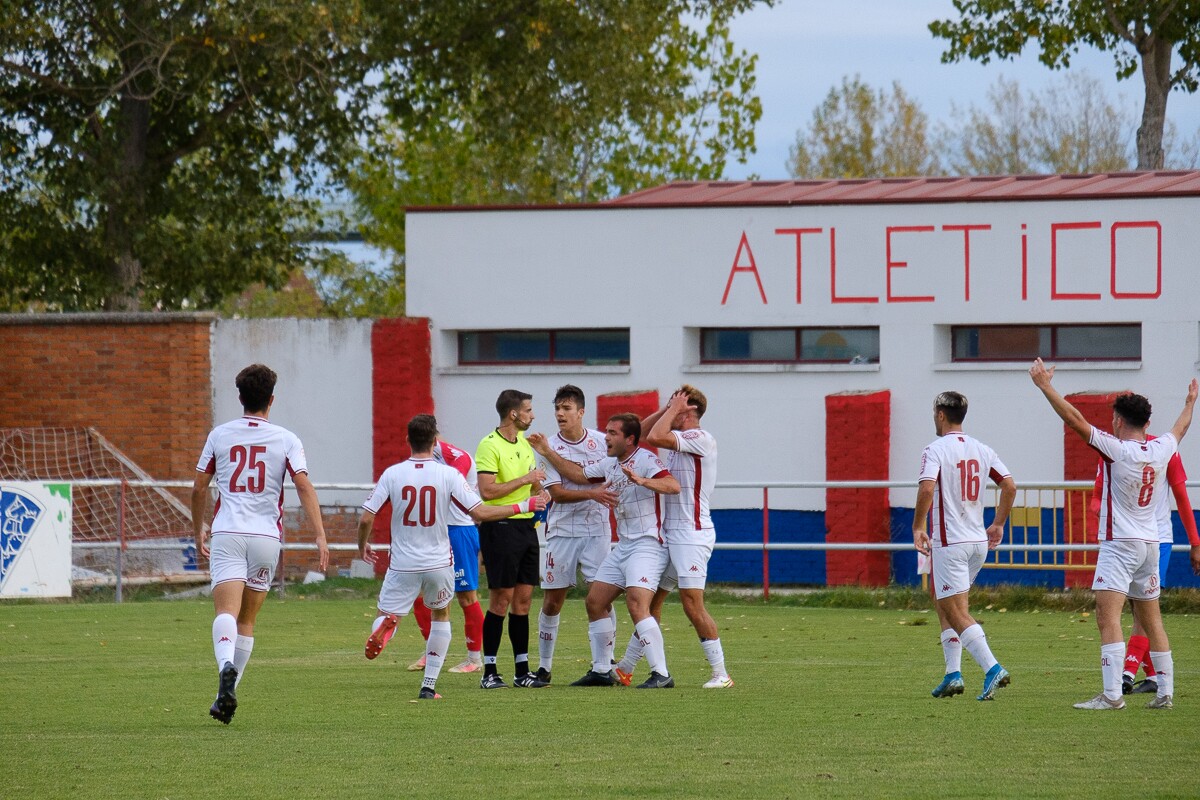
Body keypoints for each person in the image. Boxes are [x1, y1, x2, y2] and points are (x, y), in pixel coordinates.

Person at [1030, 358, 1198, 710]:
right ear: (1147, 422)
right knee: (1152, 619)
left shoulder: (1116, 450)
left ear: (1119, 421)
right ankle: (1166, 692)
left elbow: (1074, 420)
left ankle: (1111, 696)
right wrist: (1189, 403)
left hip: (1119, 545)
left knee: (1107, 617)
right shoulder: (1162, 447)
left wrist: (1046, 387)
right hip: (1151, 544)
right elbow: (1181, 429)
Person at [358, 414, 548, 700]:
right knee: (441, 615)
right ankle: (429, 686)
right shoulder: (448, 475)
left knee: (388, 613)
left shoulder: (392, 474)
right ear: (435, 441)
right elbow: (480, 512)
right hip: (438, 561)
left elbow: (366, 518)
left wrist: (363, 544)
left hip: (403, 562)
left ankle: (388, 625)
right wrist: (526, 504)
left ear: (407, 440)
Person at [192, 364, 330, 724]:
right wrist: (319, 535)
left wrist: (198, 529)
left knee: (225, 613)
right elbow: (302, 485)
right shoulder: (287, 439)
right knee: (247, 620)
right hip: (267, 538)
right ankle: (226, 692)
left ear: (240, 398)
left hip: (228, 533)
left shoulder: (219, 435)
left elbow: (198, 487)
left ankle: (225, 670)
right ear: (272, 400)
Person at [529, 413, 680, 689]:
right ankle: (601, 670)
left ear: (630, 439)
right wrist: (548, 451)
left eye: (613, 433)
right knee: (595, 601)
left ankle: (661, 673)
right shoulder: (610, 463)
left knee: (637, 603)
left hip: (647, 545)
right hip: (624, 546)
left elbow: (673, 485)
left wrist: (644, 481)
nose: (606, 437)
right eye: (607, 432)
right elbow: (577, 474)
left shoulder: (645, 460)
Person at [613, 386, 734, 689]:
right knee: (652, 602)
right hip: (671, 533)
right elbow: (639, 434)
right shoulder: (674, 434)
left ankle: (721, 674)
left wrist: (674, 409)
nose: (670, 410)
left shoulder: (700, 438)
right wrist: (669, 407)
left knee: (692, 604)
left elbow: (653, 437)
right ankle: (626, 667)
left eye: (677, 406)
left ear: (689, 410)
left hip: (692, 534)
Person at [912, 391, 1016, 702]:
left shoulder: (935, 450)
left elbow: (927, 488)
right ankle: (953, 674)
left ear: (941, 415)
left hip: (951, 542)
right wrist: (998, 524)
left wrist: (918, 526)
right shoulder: (982, 449)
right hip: (976, 542)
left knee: (955, 611)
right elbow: (1009, 485)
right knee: (946, 603)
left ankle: (992, 667)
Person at [1086, 435, 1200, 695]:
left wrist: (1195, 542)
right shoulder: (1118, 451)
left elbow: (1181, 495)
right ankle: (1154, 678)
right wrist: (1103, 519)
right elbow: (1097, 496)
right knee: (1138, 609)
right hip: (1127, 540)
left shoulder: (1149, 449)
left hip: (1154, 539)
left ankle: (1126, 673)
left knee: (1142, 611)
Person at [533, 385, 619, 684]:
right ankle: (544, 666)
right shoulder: (546, 447)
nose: (560, 413)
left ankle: (606, 662)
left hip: (597, 531)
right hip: (562, 531)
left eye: (567, 408)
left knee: (603, 597)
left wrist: (597, 492)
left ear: (581, 412)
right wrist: (592, 493)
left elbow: (604, 475)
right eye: (557, 408)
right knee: (553, 600)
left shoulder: (601, 441)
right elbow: (556, 492)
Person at [474, 390, 549, 689]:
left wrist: (539, 495)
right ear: (513, 414)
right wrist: (526, 482)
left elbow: (528, 489)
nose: (532, 415)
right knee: (500, 600)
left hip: (525, 529)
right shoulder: (488, 445)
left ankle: (522, 671)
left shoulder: (524, 446)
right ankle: (489, 671)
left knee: (524, 600)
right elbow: (487, 492)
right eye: (528, 410)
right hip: (500, 529)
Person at [404, 436, 487, 676]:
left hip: (459, 531)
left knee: (465, 596)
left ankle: (474, 658)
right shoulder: (421, 459)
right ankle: (432, 651)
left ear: (434, 438)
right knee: (421, 593)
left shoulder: (458, 458)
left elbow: (447, 489)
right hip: (433, 532)